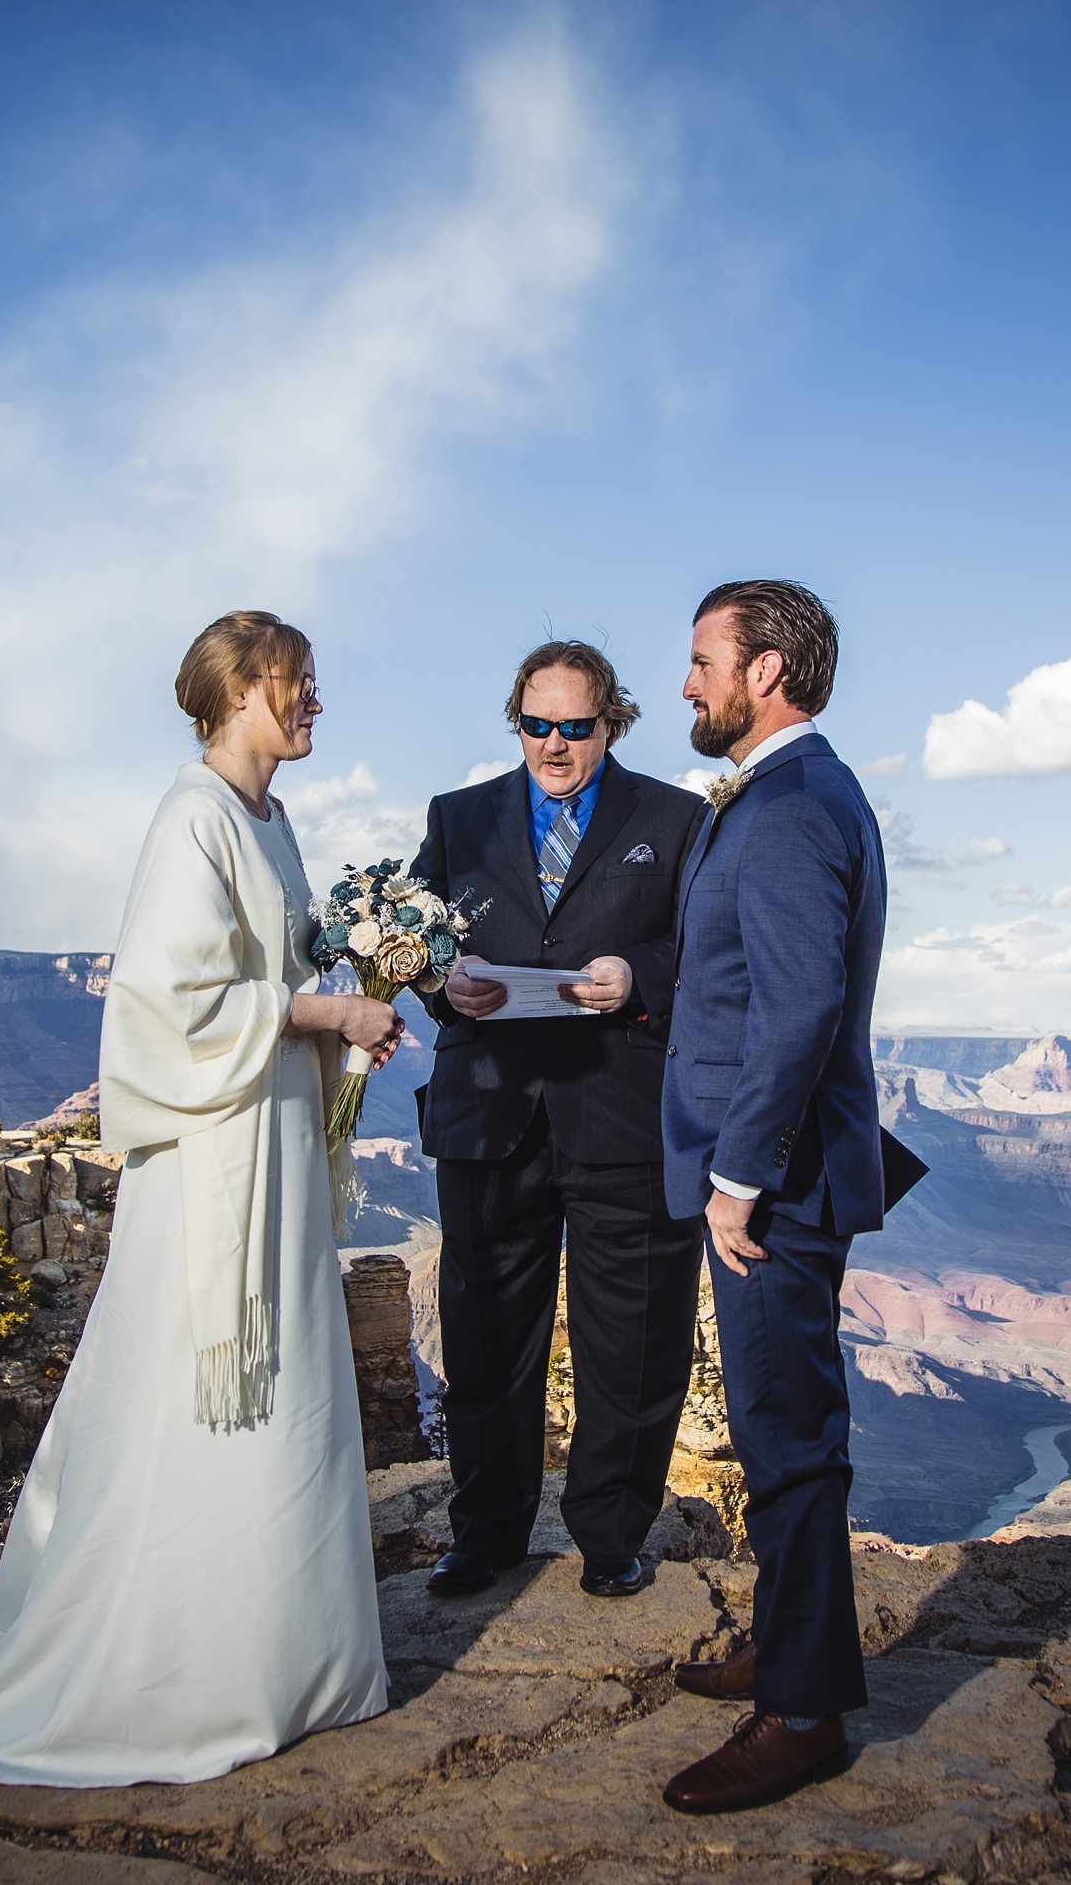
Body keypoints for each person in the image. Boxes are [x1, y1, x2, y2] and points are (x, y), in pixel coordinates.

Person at [0, 610, 405, 1794]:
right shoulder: (194, 817)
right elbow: (170, 1002)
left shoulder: (271, 817)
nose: (316, 701)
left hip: (271, 1139)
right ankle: (195, 1658)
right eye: (300, 682)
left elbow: (274, 968)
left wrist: (363, 972)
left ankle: (287, 1651)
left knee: (286, 1388)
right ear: (243, 688)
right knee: (202, 1380)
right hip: (218, 1152)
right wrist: (328, 1013)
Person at [654, 579, 889, 1815]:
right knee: (770, 1420)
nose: (686, 683)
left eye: (702, 660)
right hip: (765, 1166)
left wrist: (736, 1180)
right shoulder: (788, 790)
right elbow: (739, 987)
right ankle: (782, 1643)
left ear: (768, 669)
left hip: (774, 1184)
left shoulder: (792, 806)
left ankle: (802, 1709)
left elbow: (798, 1011)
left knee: (789, 1433)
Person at [410, 641, 709, 1602]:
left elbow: (705, 947)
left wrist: (637, 980)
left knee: (635, 1334)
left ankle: (612, 1535)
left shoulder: (674, 818)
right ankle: (485, 1533)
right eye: (535, 725)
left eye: (573, 727)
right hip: (489, 1112)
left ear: (610, 723)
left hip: (622, 1113)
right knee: (486, 1329)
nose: (552, 744)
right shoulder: (458, 820)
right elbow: (414, 941)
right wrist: (441, 983)